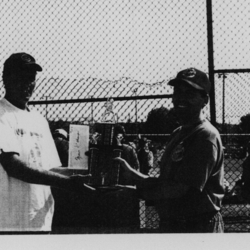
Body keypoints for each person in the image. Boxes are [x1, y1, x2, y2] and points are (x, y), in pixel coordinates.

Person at [115, 68, 225, 233]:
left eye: (190, 93)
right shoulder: (179, 133)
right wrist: (131, 174)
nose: (181, 98)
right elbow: (166, 182)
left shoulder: (205, 136)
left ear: (205, 100)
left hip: (197, 227)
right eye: (177, 92)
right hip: (176, 224)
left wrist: (132, 193)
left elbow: (179, 190)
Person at [0, 52, 95, 232]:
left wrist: (88, 170)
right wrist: (67, 183)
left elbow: (51, 169)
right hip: (8, 224)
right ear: (6, 78)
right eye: (21, 77)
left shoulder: (39, 120)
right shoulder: (1, 114)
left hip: (41, 222)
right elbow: (13, 166)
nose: (27, 84)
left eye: (31, 78)